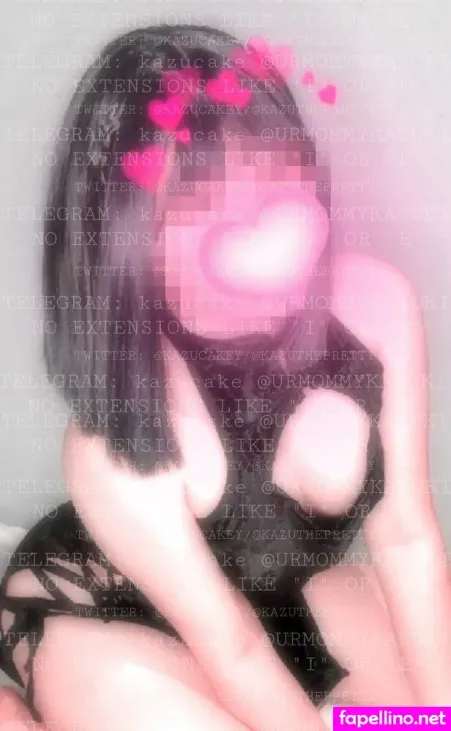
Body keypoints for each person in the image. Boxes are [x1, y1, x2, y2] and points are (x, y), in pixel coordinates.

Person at [0, 23, 448, 731]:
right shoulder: (110, 447)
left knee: (415, 719)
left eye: (277, 172)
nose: (262, 223)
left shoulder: (377, 307)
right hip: (103, 611)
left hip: (272, 603)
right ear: (126, 239)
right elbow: (232, 647)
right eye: (200, 201)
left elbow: (406, 538)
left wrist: (441, 715)